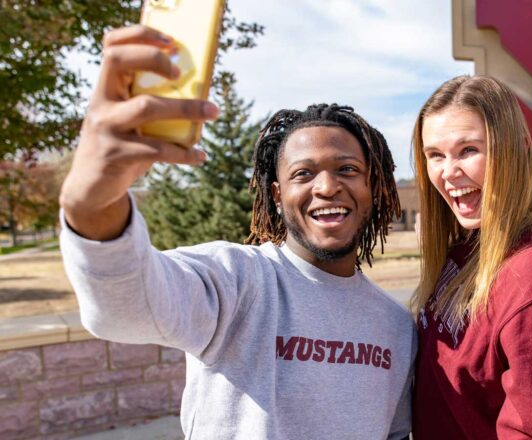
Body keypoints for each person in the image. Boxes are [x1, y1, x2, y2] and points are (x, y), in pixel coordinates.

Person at [58, 25, 415, 439]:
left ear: (374, 188)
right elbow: (124, 309)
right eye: (304, 173)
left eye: (347, 170)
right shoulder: (234, 280)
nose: (326, 186)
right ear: (278, 196)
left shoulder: (395, 326)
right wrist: (90, 202)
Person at [410, 75, 532, 439]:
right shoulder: (465, 246)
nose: (448, 171)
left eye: (468, 150)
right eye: (435, 155)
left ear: (516, 149)